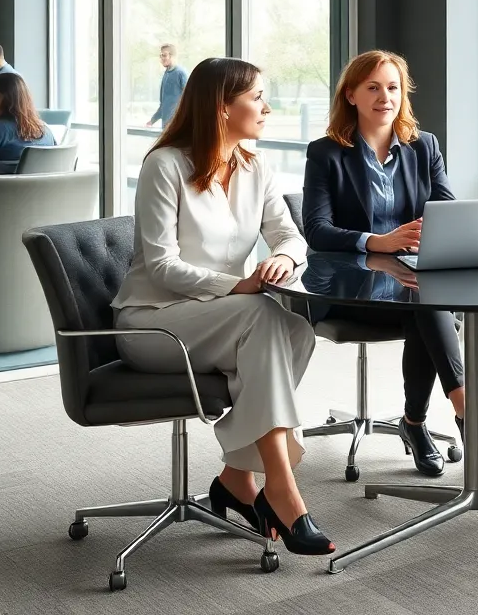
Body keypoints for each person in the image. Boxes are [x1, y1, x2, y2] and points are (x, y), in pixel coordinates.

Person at [112, 58, 333, 556]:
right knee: (264, 319)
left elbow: (291, 236)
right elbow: (163, 265)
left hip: (221, 320)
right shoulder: (164, 165)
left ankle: (236, 478)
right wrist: (239, 286)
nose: (268, 107)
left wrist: (280, 257)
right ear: (221, 105)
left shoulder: (256, 167)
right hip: (153, 324)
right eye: (257, 97)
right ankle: (281, 488)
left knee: (297, 330)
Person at [302, 50, 467, 478]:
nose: (384, 96)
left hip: (411, 280)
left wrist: (432, 234)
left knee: (425, 303)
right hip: (351, 286)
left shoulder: (423, 146)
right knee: (431, 307)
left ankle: (418, 422)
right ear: (352, 95)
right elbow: (317, 229)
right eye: (373, 87)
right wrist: (379, 241)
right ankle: (463, 415)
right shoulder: (326, 153)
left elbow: (445, 207)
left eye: (392, 87)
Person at [147, 43, 188, 129]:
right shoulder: (166, 74)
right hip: (166, 127)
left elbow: (188, 99)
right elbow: (164, 104)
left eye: (164, 55)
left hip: (177, 126)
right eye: (161, 55)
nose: (161, 58)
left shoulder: (181, 73)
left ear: (172, 56)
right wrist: (152, 120)